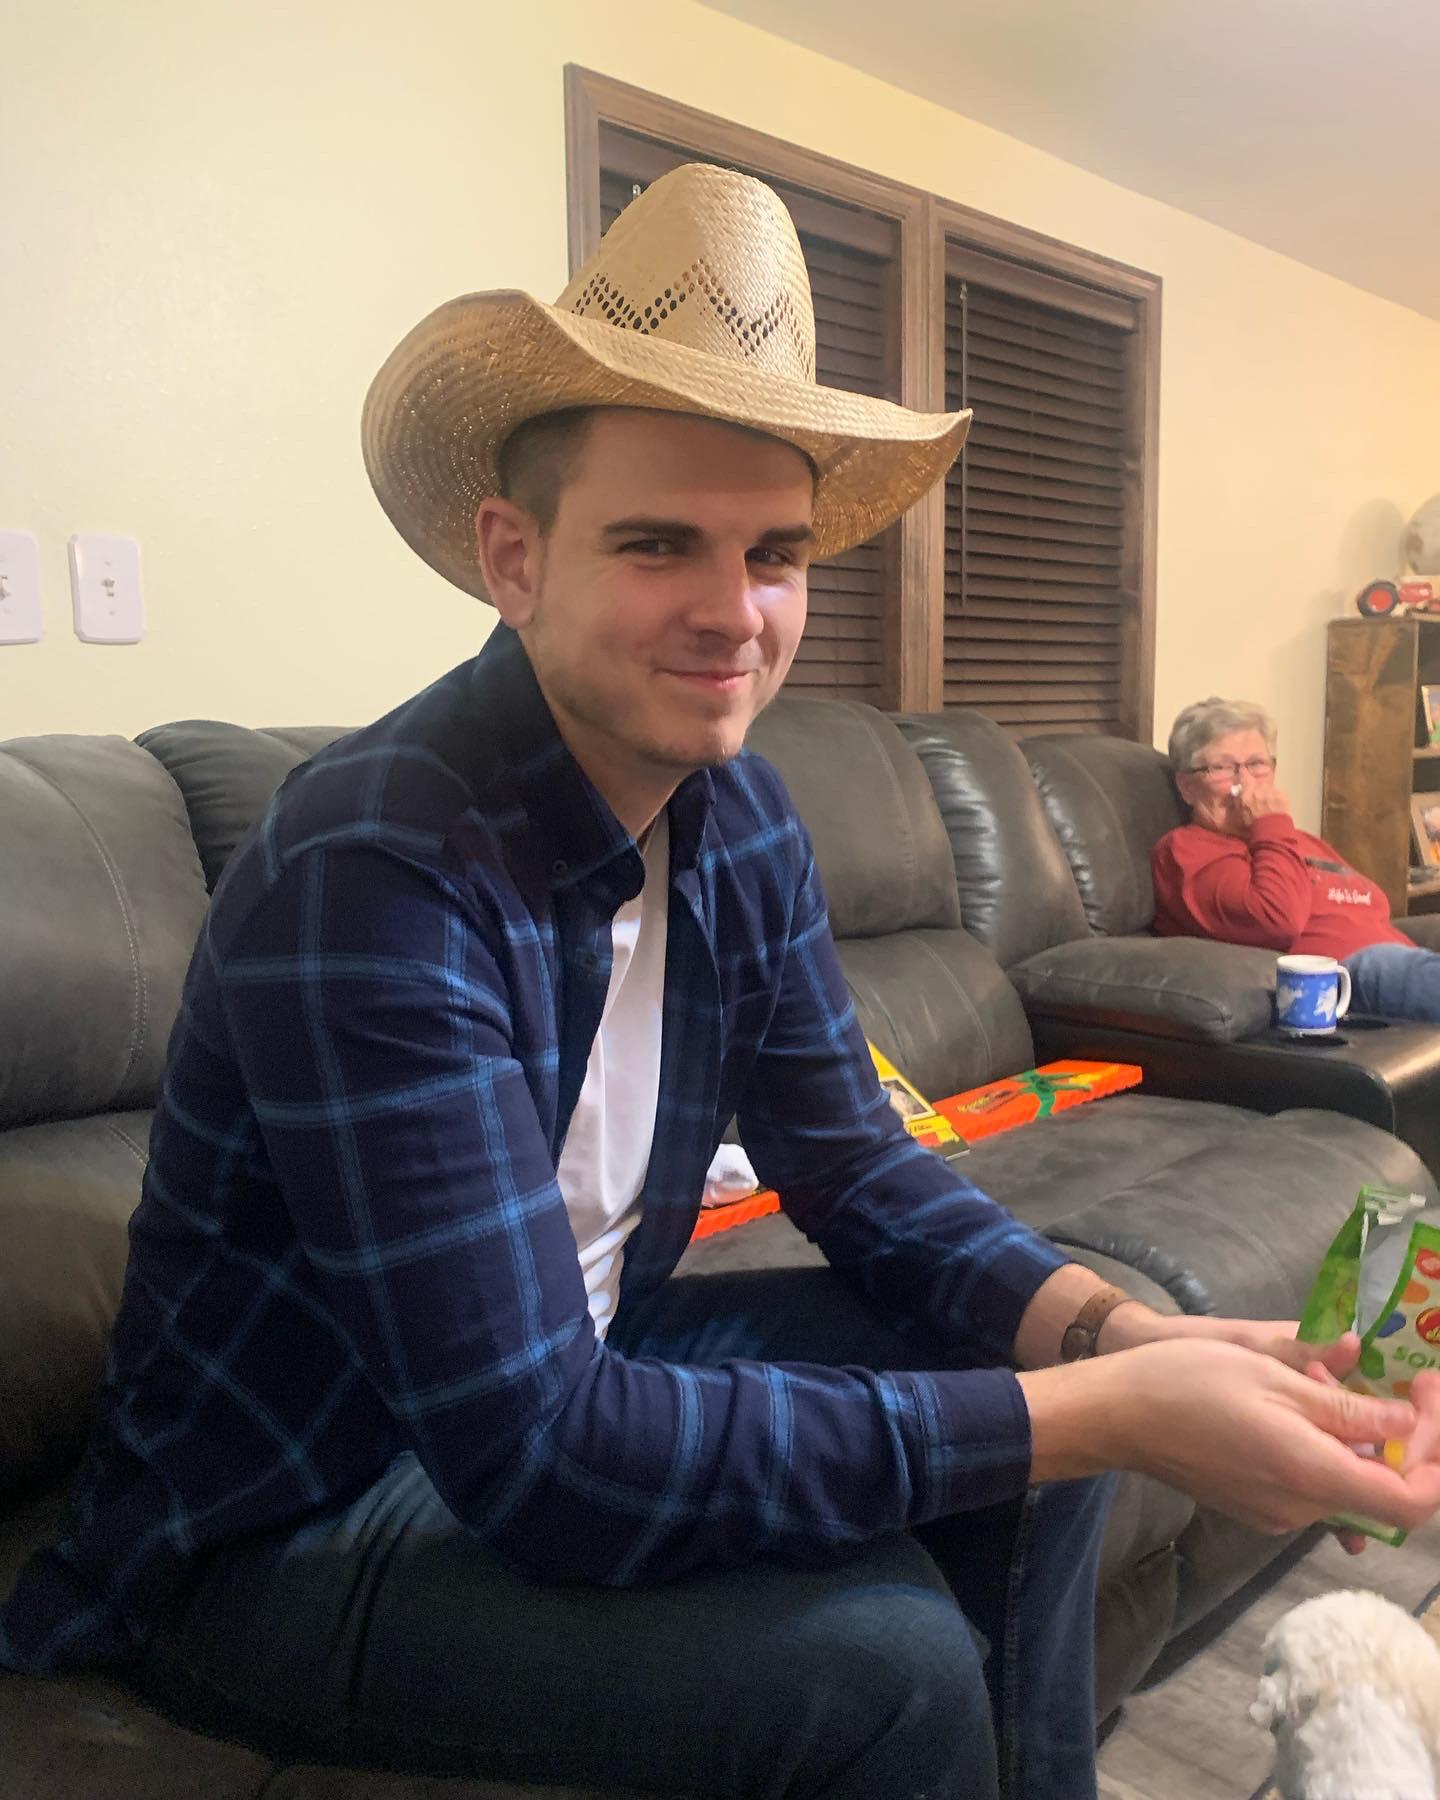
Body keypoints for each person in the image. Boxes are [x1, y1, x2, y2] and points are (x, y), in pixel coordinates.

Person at [4, 165, 1439, 1800]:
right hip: (288, 1504)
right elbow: (537, 1455)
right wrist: (1118, 1410)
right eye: (657, 543)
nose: (735, 614)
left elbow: (854, 1164)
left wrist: (1105, 1332)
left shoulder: (737, 812)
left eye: (774, 552)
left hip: (588, 1358)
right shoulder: (374, 874)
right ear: (513, 556)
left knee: (1045, 1411)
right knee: (887, 1669)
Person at [1154, 696, 1440, 1022]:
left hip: (1405, 969)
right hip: (1341, 982)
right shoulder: (1188, 850)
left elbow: (1373, 907)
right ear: (1187, 786)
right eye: (1222, 768)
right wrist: (1272, 825)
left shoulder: (1296, 841)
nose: (1244, 783)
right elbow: (1277, 920)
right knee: (1386, 963)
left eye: (1256, 764)